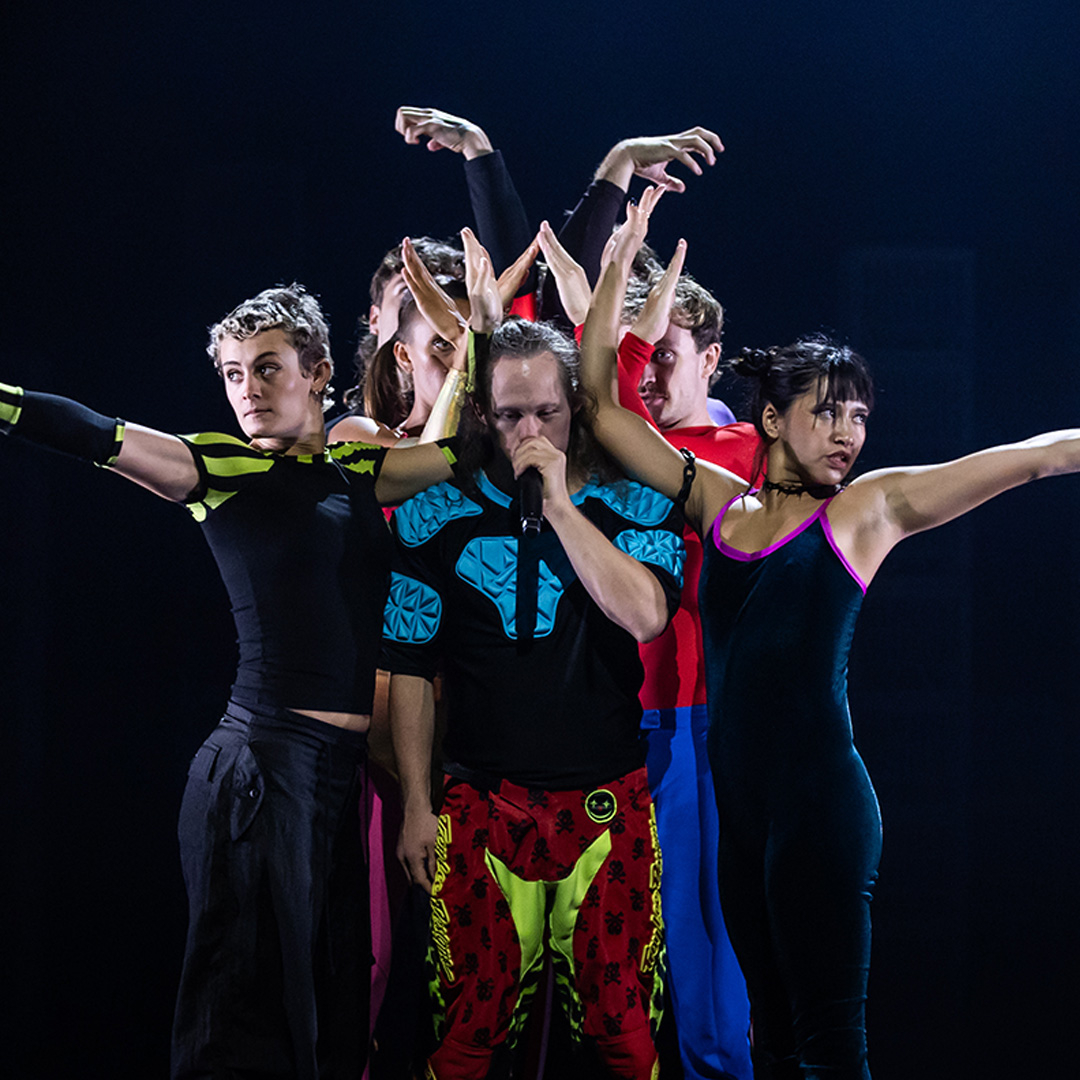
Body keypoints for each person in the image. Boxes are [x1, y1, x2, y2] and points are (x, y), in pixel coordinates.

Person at [580, 191, 1080, 1079]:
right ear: (771, 419)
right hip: (745, 815)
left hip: (824, 813)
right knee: (766, 1044)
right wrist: (620, 260)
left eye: (860, 415)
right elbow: (604, 412)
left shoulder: (866, 511)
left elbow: (1039, 455)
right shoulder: (714, 504)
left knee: (830, 1051)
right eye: (829, 412)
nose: (850, 432)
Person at [0, 283, 462, 1080]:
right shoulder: (221, 468)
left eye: (267, 369)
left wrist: (482, 326)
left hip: (336, 779)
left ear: (319, 373)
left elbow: (469, 450)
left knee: (335, 1004)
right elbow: (92, 433)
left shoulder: (359, 470)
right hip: (259, 768)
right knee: (240, 1015)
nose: (247, 389)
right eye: (233, 373)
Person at [381, 317, 687, 1079]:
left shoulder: (636, 504)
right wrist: (417, 803)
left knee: (623, 1029)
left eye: (545, 413)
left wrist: (559, 507)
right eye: (510, 414)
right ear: (483, 411)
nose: (528, 431)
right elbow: (411, 667)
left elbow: (647, 615)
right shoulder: (432, 515)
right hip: (482, 802)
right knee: (466, 1032)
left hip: (605, 800)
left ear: (576, 408)